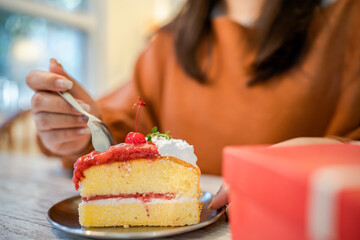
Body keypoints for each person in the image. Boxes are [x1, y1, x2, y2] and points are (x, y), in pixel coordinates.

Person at [26, 0, 360, 210]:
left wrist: (331, 154)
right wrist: (79, 131)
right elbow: (117, 128)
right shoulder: (167, 45)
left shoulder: (349, 22)